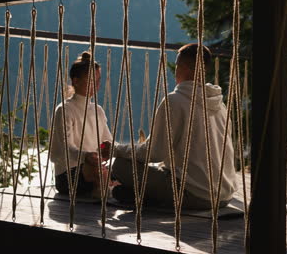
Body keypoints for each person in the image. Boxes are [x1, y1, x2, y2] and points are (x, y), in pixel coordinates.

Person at [101, 44, 237, 209]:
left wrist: (115, 149)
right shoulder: (220, 105)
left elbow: (154, 153)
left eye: (178, 66)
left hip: (194, 193)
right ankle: (141, 195)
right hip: (224, 196)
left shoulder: (175, 101)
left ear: (185, 68)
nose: (175, 71)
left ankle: (145, 196)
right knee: (123, 191)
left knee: (119, 165)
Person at [50, 51, 112, 198]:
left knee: (122, 170)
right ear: (75, 81)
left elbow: (107, 141)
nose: (96, 85)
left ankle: (105, 189)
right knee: (95, 171)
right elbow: (66, 148)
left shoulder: (97, 110)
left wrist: (106, 149)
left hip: (93, 169)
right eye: (91, 80)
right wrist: (86, 157)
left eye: (98, 80)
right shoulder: (65, 109)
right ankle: (104, 190)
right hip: (68, 175)